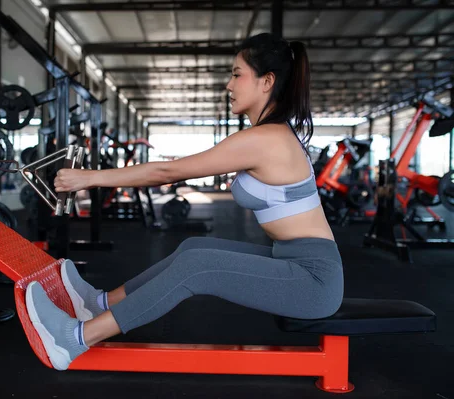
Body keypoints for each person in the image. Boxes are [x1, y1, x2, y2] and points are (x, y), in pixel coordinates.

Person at [24, 33, 344, 371]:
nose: (228, 85)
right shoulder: (270, 135)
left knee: (198, 268)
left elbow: (167, 171)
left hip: (312, 280)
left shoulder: (266, 139)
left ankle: (75, 339)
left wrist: (90, 177)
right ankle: (100, 303)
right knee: (193, 248)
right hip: (294, 261)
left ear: (267, 81)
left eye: (236, 74)